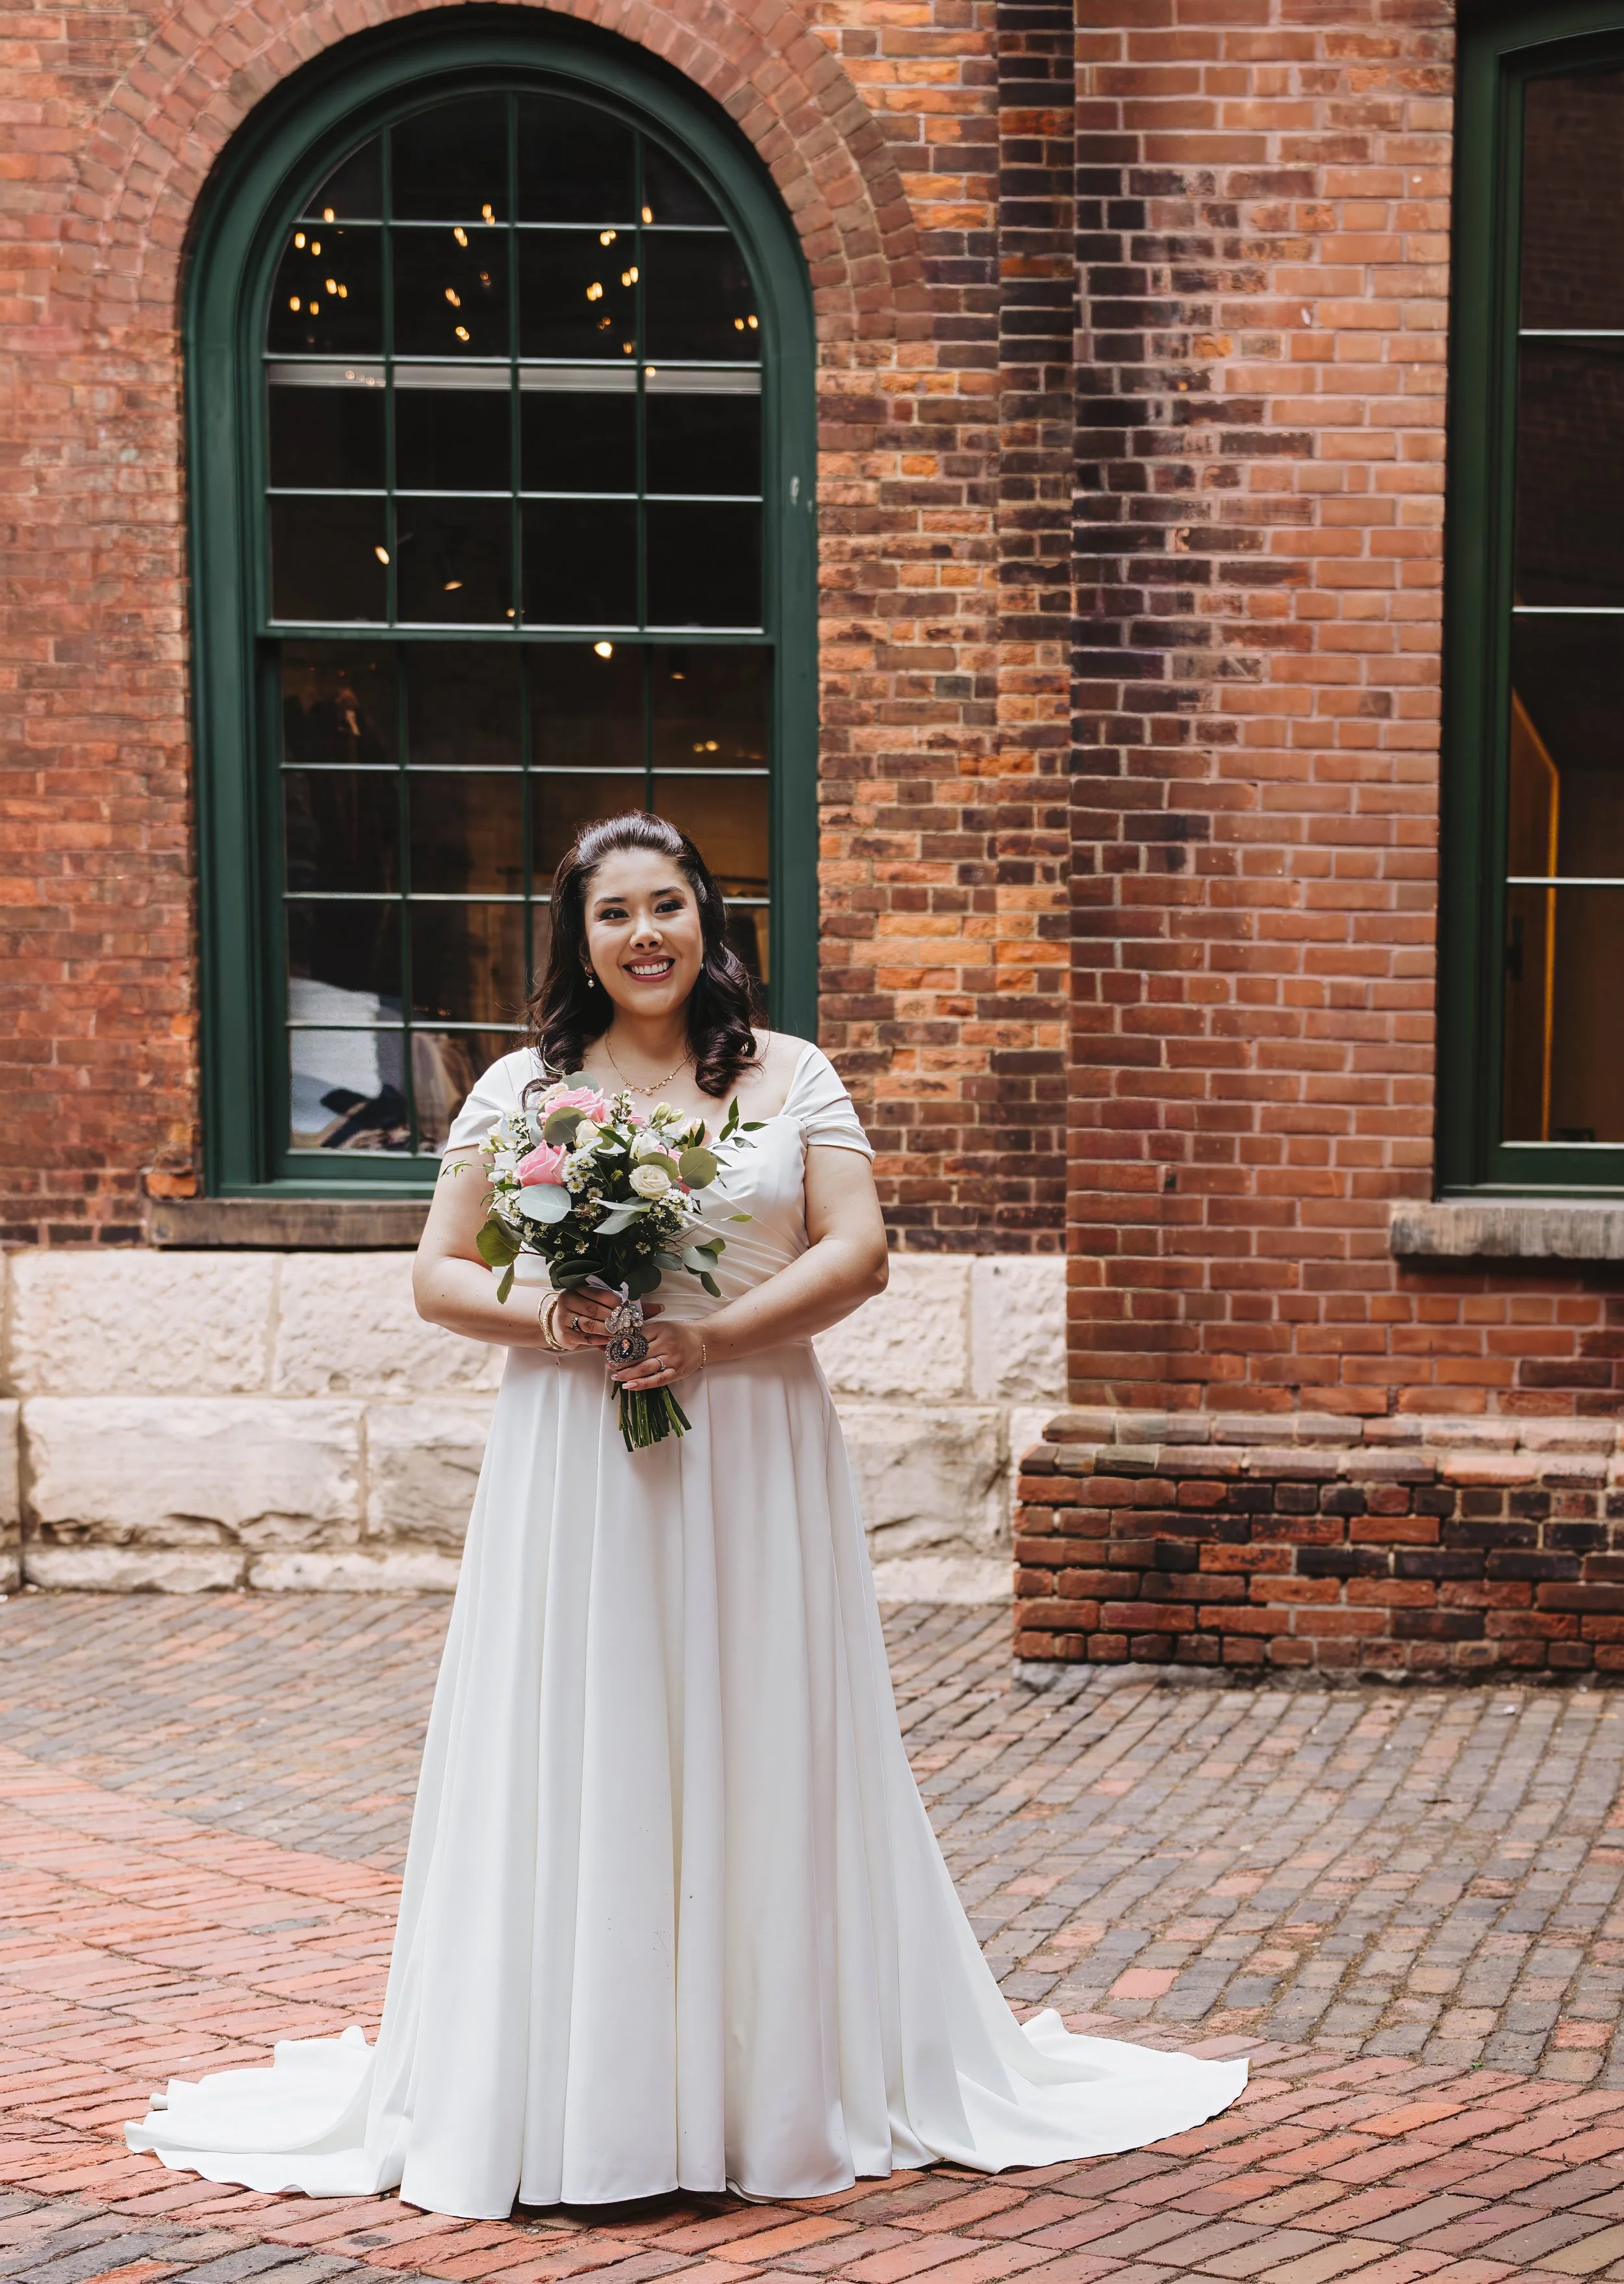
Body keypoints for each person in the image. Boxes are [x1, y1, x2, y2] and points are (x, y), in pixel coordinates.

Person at [127, 812, 1245, 2215]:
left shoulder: (790, 1074)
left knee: (756, 1726)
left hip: (753, 1442)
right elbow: (436, 1275)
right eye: (613, 913)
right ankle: (580, 2091)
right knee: (590, 1727)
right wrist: (559, 1316)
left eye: (669, 906)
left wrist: (712, 1343)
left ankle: (762, 2086)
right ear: (577, 939)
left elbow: (859, 1250)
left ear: (710, 923)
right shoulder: (522, 1090)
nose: (644, 934)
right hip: (577, 1453)